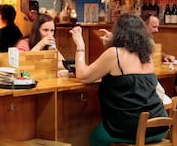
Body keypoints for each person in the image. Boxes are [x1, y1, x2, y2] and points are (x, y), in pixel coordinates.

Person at [69, 13, 168, 145]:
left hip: (132, 128)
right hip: (160, 125)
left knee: (96, 138)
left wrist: (80, 46)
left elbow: (82, 75)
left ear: (119, 33)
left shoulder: (114, 54)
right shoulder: (147, 55)